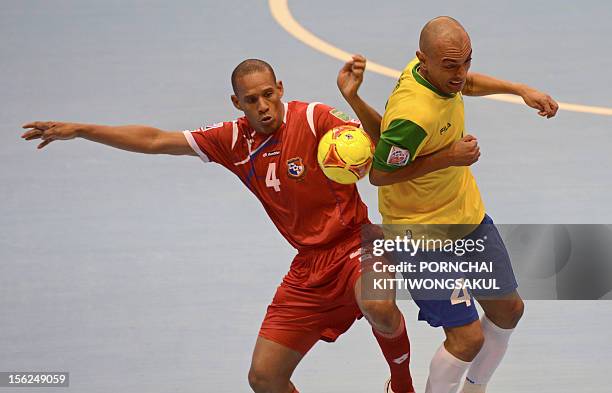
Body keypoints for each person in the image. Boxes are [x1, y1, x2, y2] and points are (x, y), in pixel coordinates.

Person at [21, 55, 476, 393]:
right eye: (252, 100)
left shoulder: (315, 118)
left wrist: (354, 104)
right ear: (237, 103)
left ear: (281, 88)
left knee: (379, 307)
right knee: (264, 377)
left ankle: (401, 385)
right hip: (309, 267)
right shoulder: (232, 141)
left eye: (269, 94)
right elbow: (157, 139)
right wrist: (83, 129)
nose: (263, 106)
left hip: (360, 242)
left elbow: (377, 147)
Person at [369, 16, 559, 393]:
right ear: (422, 59)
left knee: (508, 312)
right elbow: (379, 174)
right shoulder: (413, 116)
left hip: (464, 217)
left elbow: (465, 84)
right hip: (419, 232)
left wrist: (518, 89)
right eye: (451, 65)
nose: (461, 73)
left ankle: (474, 389)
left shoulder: (436, 74)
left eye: (466, 61)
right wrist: (449, 157)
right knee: (467, 338)